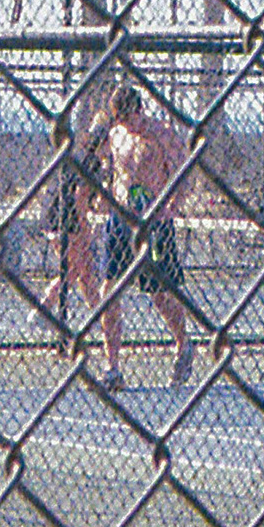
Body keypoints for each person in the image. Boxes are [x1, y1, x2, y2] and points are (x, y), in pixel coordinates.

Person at [90, 79, 195, 390]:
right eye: (120, 120)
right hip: (121, 220)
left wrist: (172, 206)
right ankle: (112, 366)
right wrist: (104, 196)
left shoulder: (162, 134)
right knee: (109, 290)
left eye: (129, 118)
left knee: (160, 294)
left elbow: (182, 174)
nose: (127, 125)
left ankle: (183, 343)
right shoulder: (116, 135)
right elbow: (112, 172)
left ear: (139, 111)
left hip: (154, 222)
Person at [50, 115, 102, 352]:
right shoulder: (92, 161)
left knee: (84, 271)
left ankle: (99, 316)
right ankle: (44, 307)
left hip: (59, 215)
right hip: (67, 219)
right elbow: (81, 197)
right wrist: (84, 229)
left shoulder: (79, 155)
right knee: (75, 268)